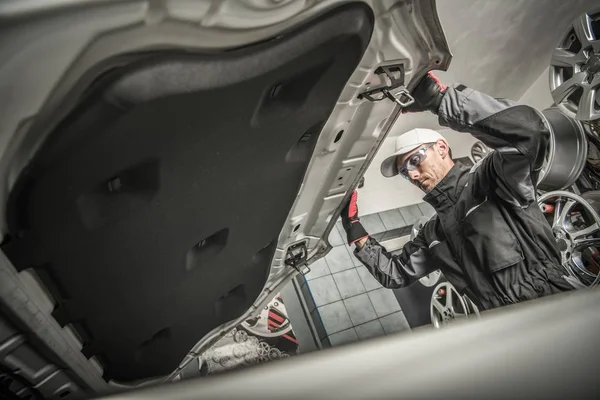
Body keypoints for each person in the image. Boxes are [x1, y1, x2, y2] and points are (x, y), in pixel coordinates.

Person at [341, 72, 574, 311]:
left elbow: (529, 132)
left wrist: (439, 99)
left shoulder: (492, 179)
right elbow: (395, 274)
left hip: (554, 307)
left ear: (441, 148)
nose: (411, 175)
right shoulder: (433, 234)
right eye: (404, 172)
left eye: (415, 160)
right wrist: (353, 226)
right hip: (502, 328)